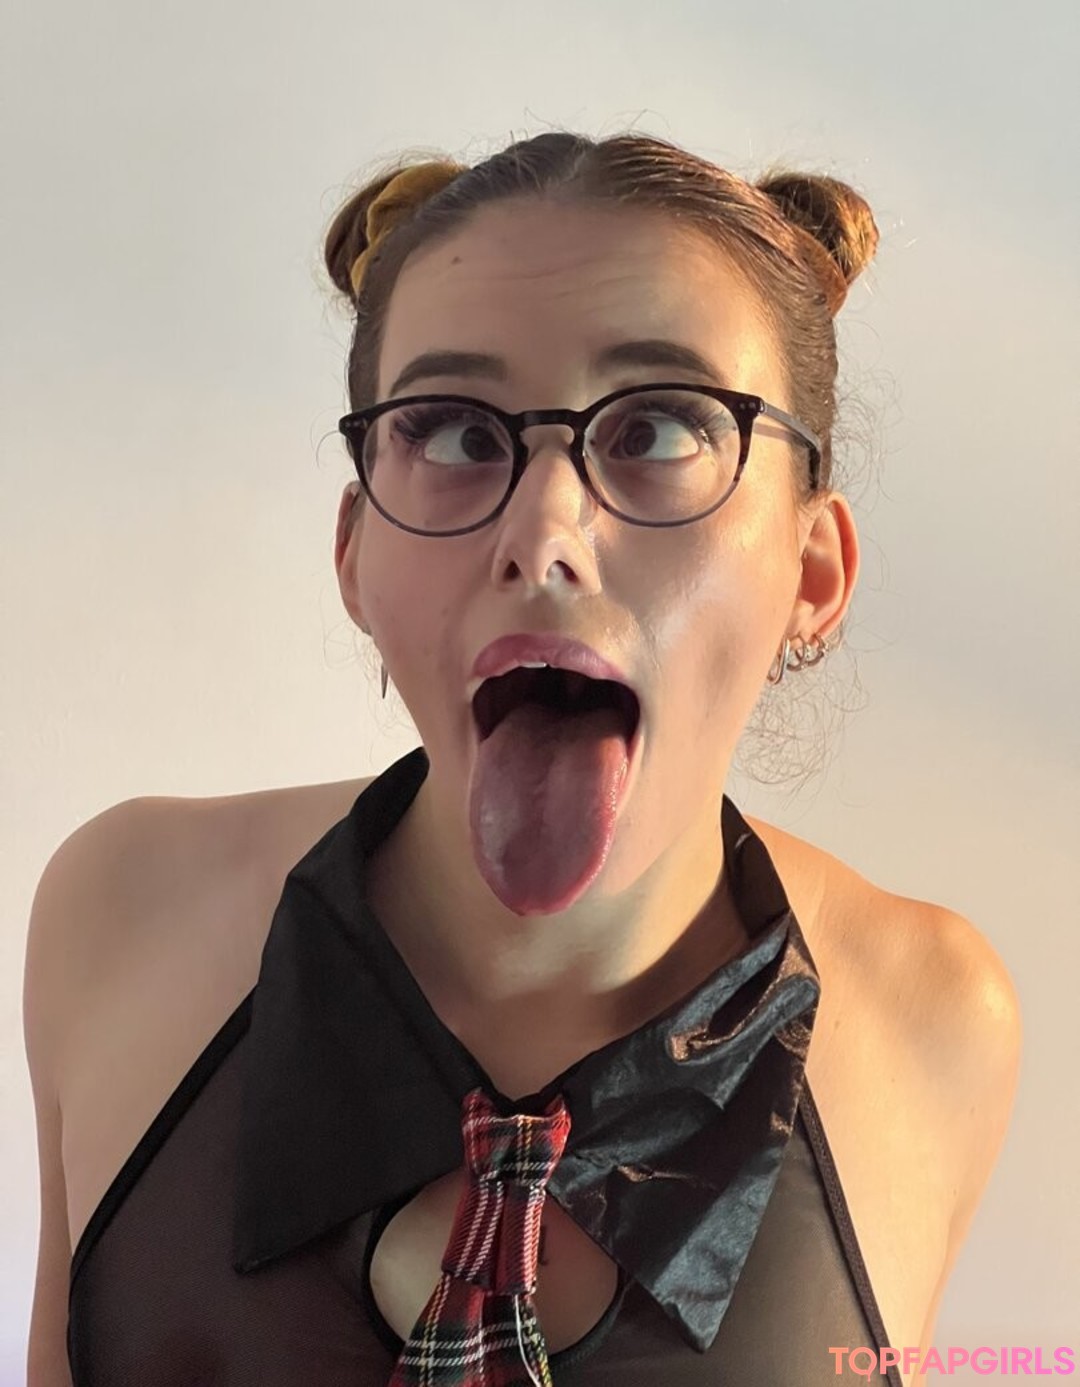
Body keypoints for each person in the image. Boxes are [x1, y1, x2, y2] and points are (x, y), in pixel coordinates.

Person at [24, 131, 1021, 1387]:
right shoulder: (122, 916)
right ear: (353, 551)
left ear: (812, 569)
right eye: (452, 434)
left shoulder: (936, 1017)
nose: (544, 530)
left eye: (660, 428)